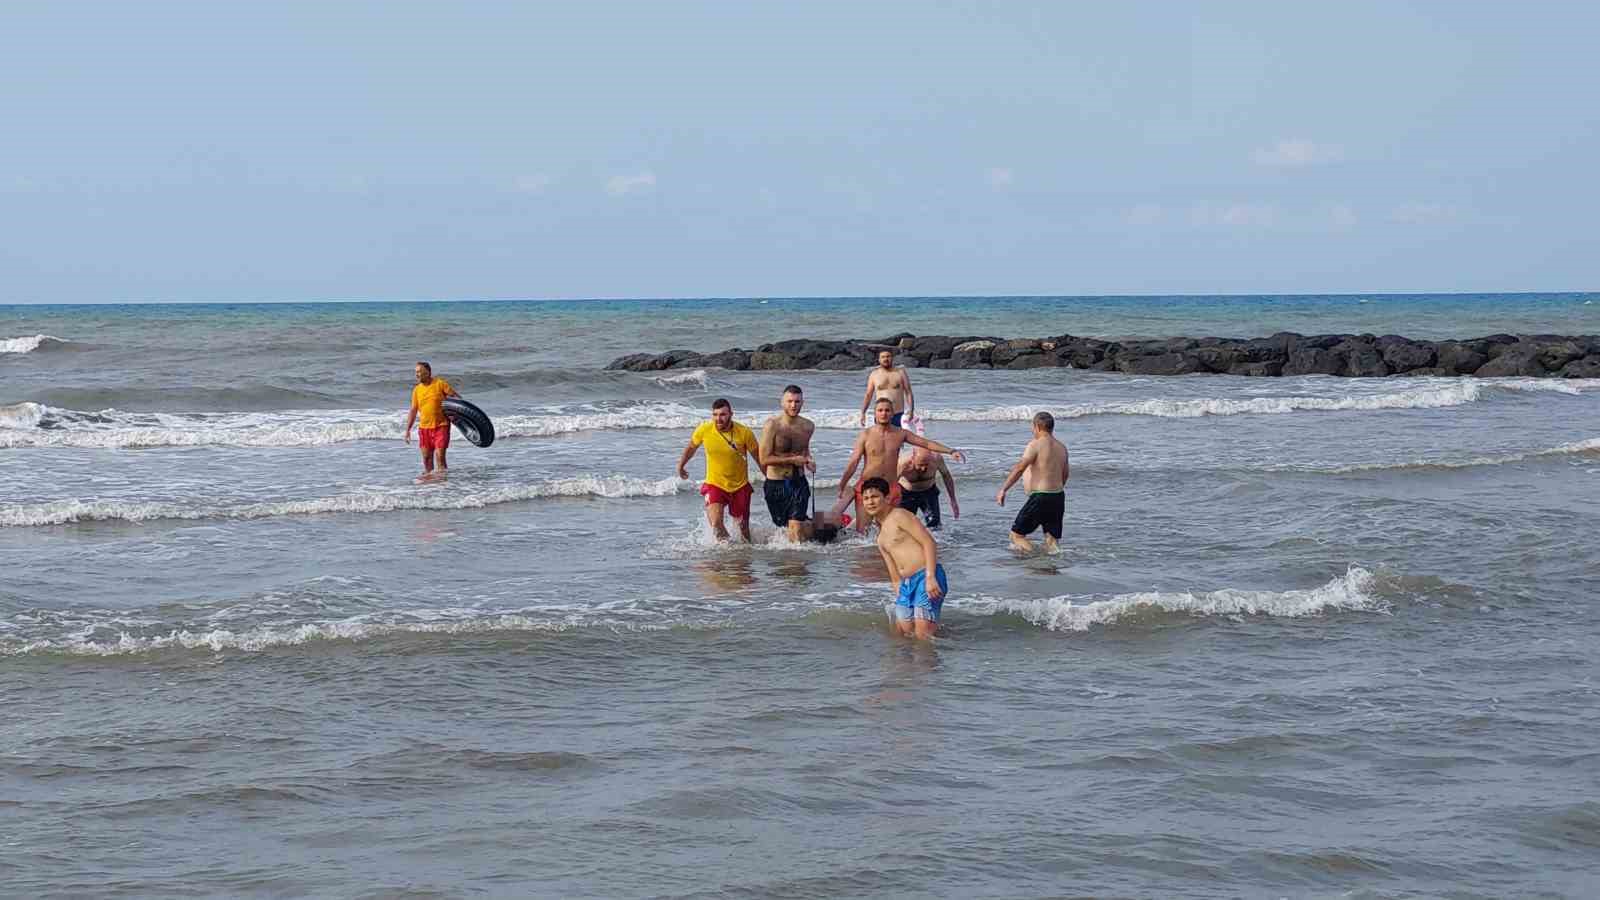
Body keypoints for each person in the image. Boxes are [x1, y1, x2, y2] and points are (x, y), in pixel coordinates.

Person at [837, 398, 963, 532]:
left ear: (892, 414)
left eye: (887, 410)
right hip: (867, 486)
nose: (884, 413)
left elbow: (926, 443)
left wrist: (951, 451)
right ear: (875, 414)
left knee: (890, 530)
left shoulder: (900, 434)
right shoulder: (866, 435)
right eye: (880, 410)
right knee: (862, 531)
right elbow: (853, 462)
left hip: (890, 488)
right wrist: (842, 485)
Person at [860, 476, 947, 640]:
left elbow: (929, 542)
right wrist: (901, 595)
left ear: (886, 498)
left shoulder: (899, 515)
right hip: (907, 584)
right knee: (904, 631)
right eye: (866, 498)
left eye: (875, 497)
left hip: (926, 575)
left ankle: (930, 662)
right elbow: (894, 575)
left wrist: (930, 576)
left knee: (923, 635)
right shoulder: (880, 538)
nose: (870, 502)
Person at [677, 398, 763, 542]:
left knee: (743, 528)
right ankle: (728, 552)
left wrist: (771, 478)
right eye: (715, 415)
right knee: (716, 524)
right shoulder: (704, 430)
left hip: (740, 486)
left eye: (723, 414)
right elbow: (691, 447)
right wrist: (681, 465)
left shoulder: (744, 432)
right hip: (715, 484)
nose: (718, 418)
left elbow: (759, 458)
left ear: (731, 414)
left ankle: (743, 557)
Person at [995, 411, 1070, 553]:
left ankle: (1034, 559)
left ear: (1037, 427)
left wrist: (1003, 489)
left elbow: (1019, 468)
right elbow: (1065, 475)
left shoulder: (1035, 445)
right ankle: (1051, 568)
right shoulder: (1062, 447)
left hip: (1040, 497)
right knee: (1051, 539)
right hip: (1058, 497)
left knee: (1016, 536)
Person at [759, 385, 818, 542]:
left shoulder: (808, 426)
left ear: (802, 403)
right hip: (775, 484)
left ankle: (796, 564)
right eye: (790, 401)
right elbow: (764, 459)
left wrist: (809, 462)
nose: (793, 405)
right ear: (782, 402)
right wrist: (792, 460)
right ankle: (812, 533)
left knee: (795, 526)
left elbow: (804, 451)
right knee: (783, 528)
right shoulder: (772, 425)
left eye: (797, 401)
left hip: (798, 482)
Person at [404, 361, 460, 479]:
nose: (417, 375)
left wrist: (454, 414)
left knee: (440, 456)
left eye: (419, 372)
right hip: (424, 428)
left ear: (428, 372)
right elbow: (413, 410)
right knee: (426, 458)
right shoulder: (417, 390)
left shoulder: (440, 384)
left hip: (441, 426)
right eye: (416, 372)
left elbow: (457, 399)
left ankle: (443, 484)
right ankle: (430, 488)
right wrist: (408, 429)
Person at [898, 445, 959, 529]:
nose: (923, 468)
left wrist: (953, 500)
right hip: (906, 495)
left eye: (926, 464)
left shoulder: (937, 459)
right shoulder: (902, 463)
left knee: (934, 525)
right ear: (913, 459)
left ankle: (939, 541)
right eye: (920, 465)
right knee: (904, 526)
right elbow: (891, 483)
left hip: (929, 493)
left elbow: (946, 476)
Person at [859, 348, 914, 427]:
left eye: (888, 356)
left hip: (898, 413)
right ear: (879, 359)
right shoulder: (874, 374)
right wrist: (863, 413)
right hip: (881, 414)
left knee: (898, 438)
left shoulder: (900, 372)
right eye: (883, 357)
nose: (886, 359)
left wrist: (911, 410)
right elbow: (868, 395)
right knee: (881, 439)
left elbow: (908, 393)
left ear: (892, 358)